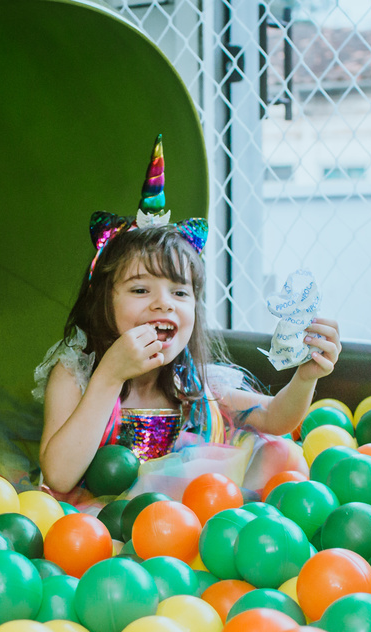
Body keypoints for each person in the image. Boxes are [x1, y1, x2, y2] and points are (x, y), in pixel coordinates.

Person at [35, 136, 341, 500]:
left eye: (180, 293)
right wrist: (109, 375)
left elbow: (276, 418)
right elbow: (59, 476)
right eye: (140, 290)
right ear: (103, 302)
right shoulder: (76, 377)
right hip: (97, 529)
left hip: (188, 527)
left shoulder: (197, 386)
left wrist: (306, 377)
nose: (164, 304)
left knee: (280, 455)